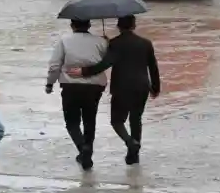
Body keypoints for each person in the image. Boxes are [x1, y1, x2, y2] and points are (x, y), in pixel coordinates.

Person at [66, 15, 160, 165]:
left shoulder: (115, 44)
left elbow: (104, 64)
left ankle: (130, 142)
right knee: (136, 119)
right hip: (142, 86)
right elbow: (153, 67)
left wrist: (83, 72)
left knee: (117, 121)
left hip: (121, 87)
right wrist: (155, 87)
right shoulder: (145, 43)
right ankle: (133, 155)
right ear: (134, 25)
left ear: (118, 26)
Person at [45, 19, 108, 170]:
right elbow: (108, 61)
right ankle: (87, 153)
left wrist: (50, 83)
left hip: (70, 86)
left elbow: (54, 66)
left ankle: (82, 148)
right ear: (89, 25)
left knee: (72, 122)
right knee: (89, 121)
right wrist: (107, 43)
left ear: (72, 25)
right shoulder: (100, 42)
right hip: (94, 87)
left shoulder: (64, 41)